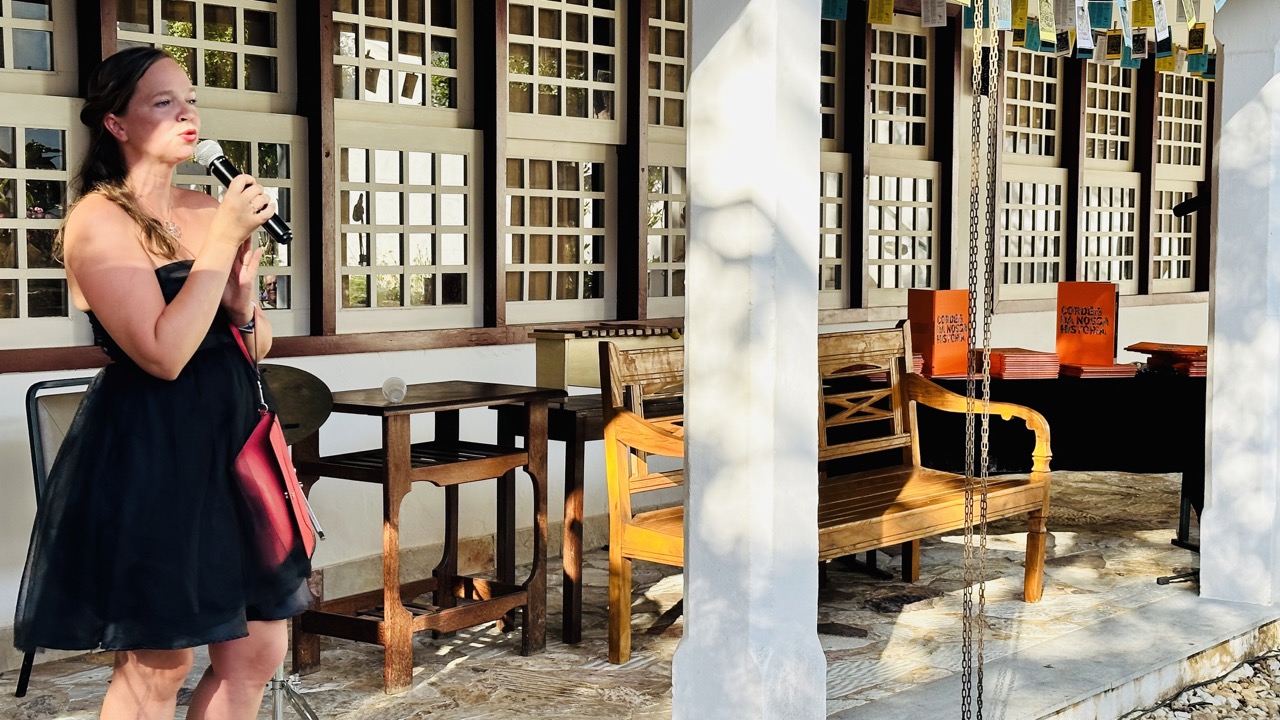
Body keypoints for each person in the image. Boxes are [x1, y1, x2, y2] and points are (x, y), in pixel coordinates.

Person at [13, 47, 312, 720]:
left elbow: (255, 344)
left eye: (191, 100)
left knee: (257, 650)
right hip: (153, 452)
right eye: (163, 102)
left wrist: (242, 308)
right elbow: (163, 355)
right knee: (160, 661)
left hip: (231, 444)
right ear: (116, 123)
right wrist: (220, 244)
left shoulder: (206, 208)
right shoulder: (98, 220)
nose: (187, 113)